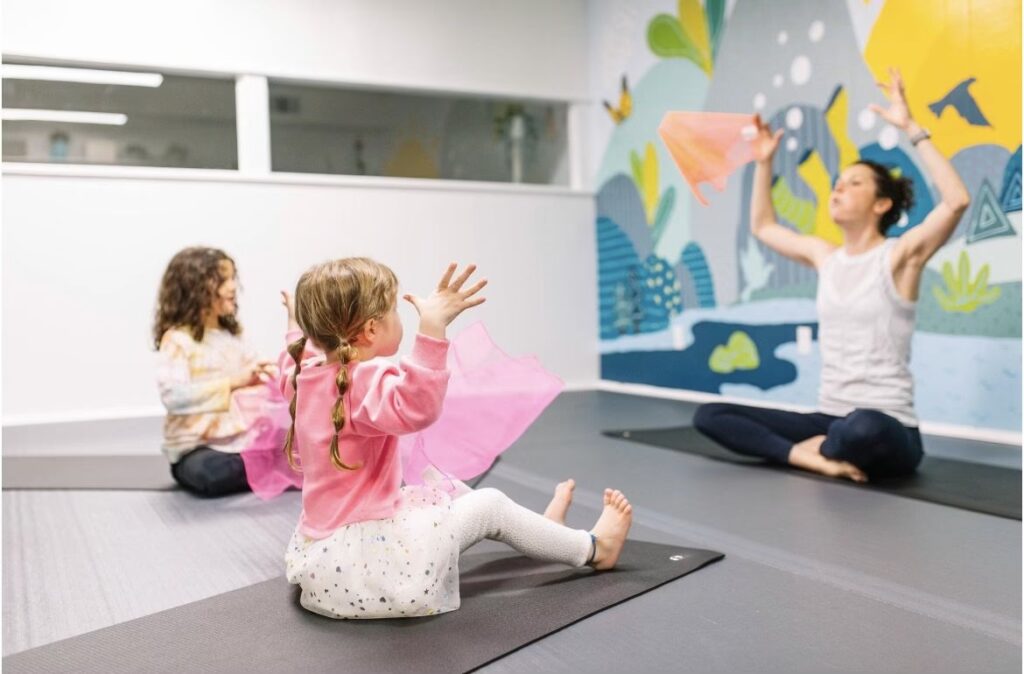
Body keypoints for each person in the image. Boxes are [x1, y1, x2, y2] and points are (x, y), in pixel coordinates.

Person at [280, 257, 633, 618]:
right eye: (393, 310)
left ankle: (546, 534)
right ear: (371, 329)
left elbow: (288, 362)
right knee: (490, 506)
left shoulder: (303, 377)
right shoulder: (362, 381)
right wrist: (432, 329)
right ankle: (594, 549)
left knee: (445, 487)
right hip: (370, 571)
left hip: (325, 558)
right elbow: (416, 408)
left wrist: (294, 323)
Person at [694, 68, 971, 482]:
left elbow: (956, 201)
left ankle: (815, 448)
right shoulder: (826, 256)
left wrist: (911, 127)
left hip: (888, 426)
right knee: (711, 415)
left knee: (864, 427)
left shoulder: (899, 257)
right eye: (837, 182)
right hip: (828, 416)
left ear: (881, 204)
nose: (837, 189)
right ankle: (812, 456)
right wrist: (765, 162)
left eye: (854, 183)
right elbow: (763, 227)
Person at [153, 247, 276, 496]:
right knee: (211, 473)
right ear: (195, 288)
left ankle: (261, 463)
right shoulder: (178, 340)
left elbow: (255, 372)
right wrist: (233, 382)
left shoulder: (233, 336)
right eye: (223, 280)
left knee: (292, 443)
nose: (232, 287)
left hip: (241, 441)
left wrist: (267, 375)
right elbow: (173, 397)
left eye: (232, 278)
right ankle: (263, 466)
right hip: (198, 448)